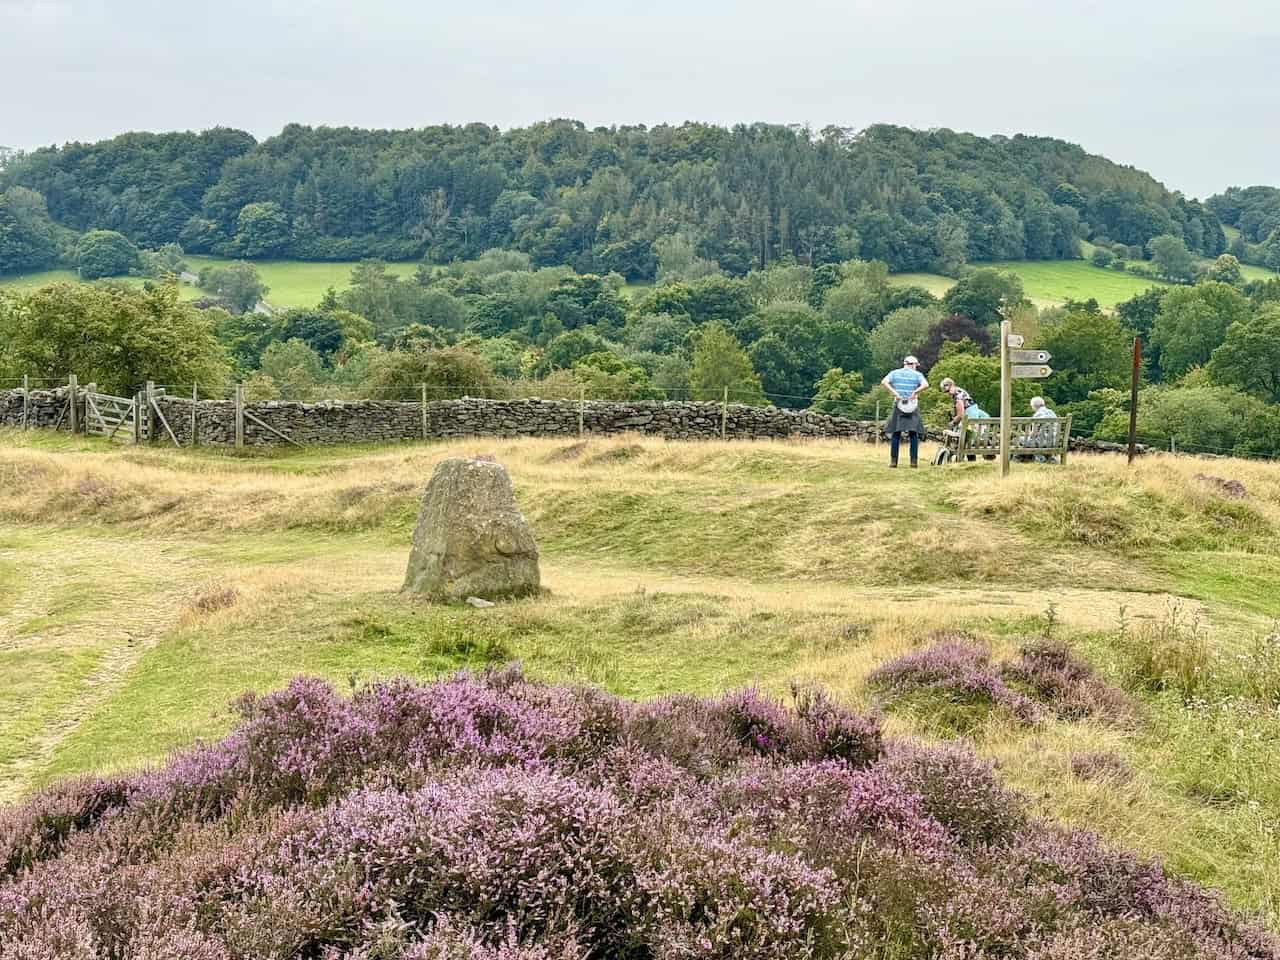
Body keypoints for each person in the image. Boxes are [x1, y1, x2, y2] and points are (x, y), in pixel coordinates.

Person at [880, 355, 928, 468]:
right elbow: (926, 385)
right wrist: (915, 392)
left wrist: (895, 393)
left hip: (898, 405)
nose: (916, 367)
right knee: (913, 434)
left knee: (896, 433)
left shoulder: (894, 373)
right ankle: (913, 462)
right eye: (916, 365)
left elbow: (884, 382)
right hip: (913, 406)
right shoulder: (917, 375)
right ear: (912, 364)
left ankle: (893, 462)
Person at [939, 377, 991, 460]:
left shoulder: (957, 396)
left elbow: (961, 414)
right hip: (978, 431)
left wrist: (952, 422)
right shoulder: (961, 392)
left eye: (947, 391)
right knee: (967, 435)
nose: (947, 393)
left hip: (970, 429)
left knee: (962, 437)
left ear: (951, 385)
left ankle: (962, 459)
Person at [1030, 395, 1059, 462]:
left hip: (1041, 443)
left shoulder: (1037, 415)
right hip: (1054, 442)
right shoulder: (1052, 413)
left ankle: (1040, 458)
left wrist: (1029, 435)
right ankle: (1051, 458)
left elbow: (1033, 434)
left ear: (1034, 406)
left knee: (1019, 440)